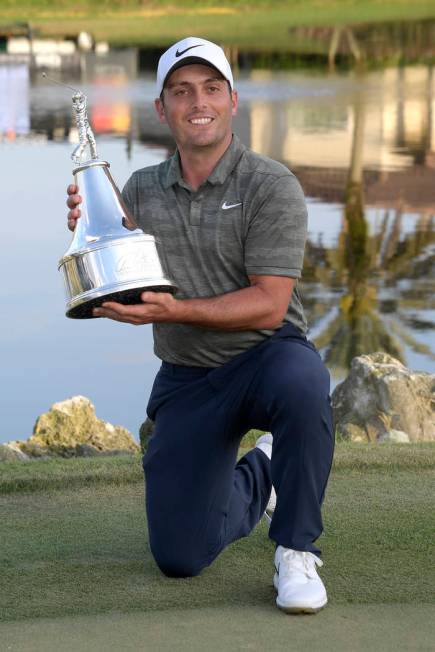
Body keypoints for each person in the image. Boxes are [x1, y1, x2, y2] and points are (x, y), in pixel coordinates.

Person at [66, 37, 335, 614]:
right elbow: (130, 278)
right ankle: (261, 473)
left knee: (305, 380)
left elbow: (268, 304)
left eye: (212, 88)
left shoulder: (271, 184)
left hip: (267, 356)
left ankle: (295, 549)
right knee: (180, 557)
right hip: (189, 374)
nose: (199, 102)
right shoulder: (138, 189)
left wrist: (175, 310)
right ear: (161, 109)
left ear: (233, 100)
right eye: (182, 92)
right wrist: (91, 224)